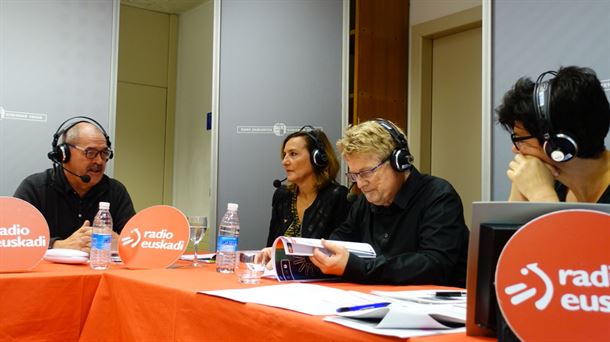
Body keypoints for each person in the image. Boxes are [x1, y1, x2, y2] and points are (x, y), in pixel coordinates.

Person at [310, 119, 469, 287]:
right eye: (354, 175)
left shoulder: (439, 196)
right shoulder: (365, 202)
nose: (361, 184)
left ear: (398, 162)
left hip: (437, 307)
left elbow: (434, 265)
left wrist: (358, 267)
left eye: (366, 173)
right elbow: (340, 239)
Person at [14, 116, 136, 251]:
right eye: (90, 153)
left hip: (98, 270)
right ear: (64, 154)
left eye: (104, 153)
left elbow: (134, 243)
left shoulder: (116, 191)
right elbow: (13, 240)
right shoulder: (35, 188)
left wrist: (119, 241)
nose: (100, 161)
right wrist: (58, 245)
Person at [496, 66, 610, 204]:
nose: (515, 149)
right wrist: (519, 193)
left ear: (560, 145)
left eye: (520, 139)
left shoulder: (542, 188)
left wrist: (542, 196)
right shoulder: (549, 179)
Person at [266, 125, 351, 246]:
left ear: (317, 159)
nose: (284, 161)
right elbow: (271, 247)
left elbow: (340, 251)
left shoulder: (337, 197)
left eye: (293, 154)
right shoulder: (282, 196)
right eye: (284, 154)